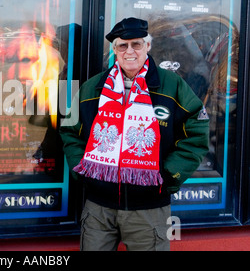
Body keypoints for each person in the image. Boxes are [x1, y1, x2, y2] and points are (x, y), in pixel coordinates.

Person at [59, 17, 209, 251]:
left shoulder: (172, 86)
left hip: (149, 211)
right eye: (123, 45)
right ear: (115, 50)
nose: (130, 51)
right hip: (99, 209)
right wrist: (84, 172)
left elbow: (196, 134)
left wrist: (168, 177)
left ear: (147, 46)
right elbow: (70, 131)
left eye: (136, 44)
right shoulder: (92, 88)